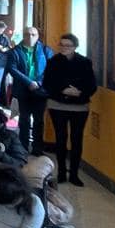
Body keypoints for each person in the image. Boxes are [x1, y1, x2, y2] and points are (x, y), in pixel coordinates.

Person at [42, 32, 98, 186]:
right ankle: (61, 172)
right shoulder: (53, 62)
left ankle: (74, 174)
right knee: (61, 138)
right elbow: (47, 83)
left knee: (76, 139)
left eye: (68, 45)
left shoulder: (84, 62)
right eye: (62, 45)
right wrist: (63, 90)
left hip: (79, 106)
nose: (64, 48)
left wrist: (79, 92)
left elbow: (92, 84)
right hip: (57, 104)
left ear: (75, 47)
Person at [6, 26, 52, 155]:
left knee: (39, 121)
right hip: (23, 90)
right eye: (27, 34)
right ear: (23, 36)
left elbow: (51, 69)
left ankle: (38, 148)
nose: (30, 37)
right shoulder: (15, 51)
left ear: (38, 36)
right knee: (24, 120)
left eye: (33, 34)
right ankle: (23, 148)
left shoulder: (45, 50)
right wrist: (29, 82)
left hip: (40, 91)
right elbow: (12, 69)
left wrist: (38, 83)